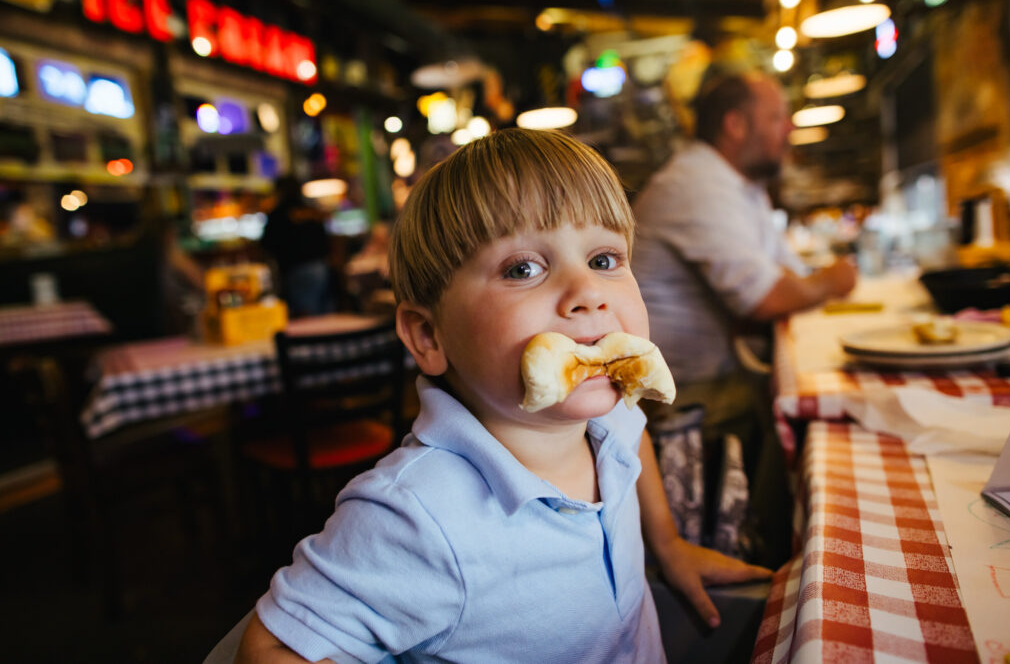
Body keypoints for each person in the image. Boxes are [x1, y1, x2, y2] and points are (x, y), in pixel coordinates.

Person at [231, 129, 770, 663]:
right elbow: (270, 646)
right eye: (523, 269)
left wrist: (667, 546)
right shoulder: (417, 516)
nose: (587, 294)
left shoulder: (610, 412)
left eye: (604, 260)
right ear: (429, 336)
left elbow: (631, 441)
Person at [631, 71, 857, 567]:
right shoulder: (697, 183)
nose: (789, 130)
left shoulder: (742, 187)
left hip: (716, 382)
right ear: (735, 125)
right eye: (777, 117)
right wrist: (835, 280)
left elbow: (790, 274)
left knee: (823, 416)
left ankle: (789, 554)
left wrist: (809, 283)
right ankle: (777, 567)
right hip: (681, 400)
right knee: (824, 438)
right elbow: (769, 296)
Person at [260, 175, 335, 317]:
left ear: (280, 191)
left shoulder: (278, 214)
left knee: (306, 317)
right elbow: (325, 238)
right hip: (321, 267)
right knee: (324, 314)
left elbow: (267, 243)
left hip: (296, 270)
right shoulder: (310, 210)